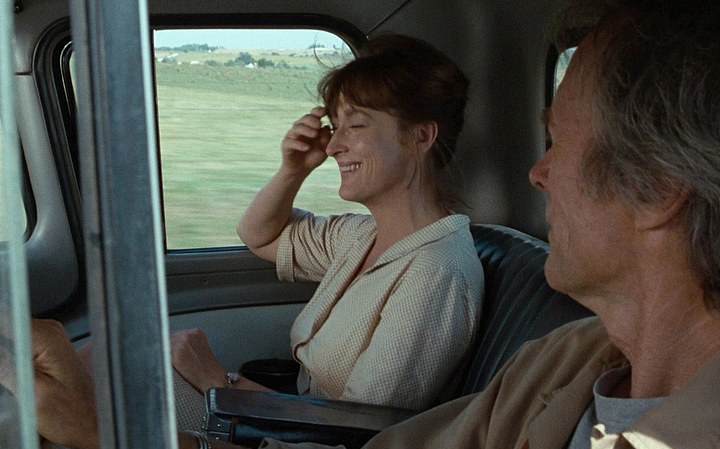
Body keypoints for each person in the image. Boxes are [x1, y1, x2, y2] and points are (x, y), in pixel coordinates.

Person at [7, 0, 720, 449]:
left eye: (558, 143)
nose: (536, 174)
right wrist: (117, 434)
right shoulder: (567, 362)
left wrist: (156, 415)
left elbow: (361, 422)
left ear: (655, 188)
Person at [169, 33, 484, 413]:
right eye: (335, 126)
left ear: (421, 135)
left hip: (307, 442)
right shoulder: (360, 236)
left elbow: (361, 427)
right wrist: (293, 170)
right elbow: (258, 235)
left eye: (357, 126)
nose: (333, 147)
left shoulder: (436, 272)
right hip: (289, 427)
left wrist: (217, 382)